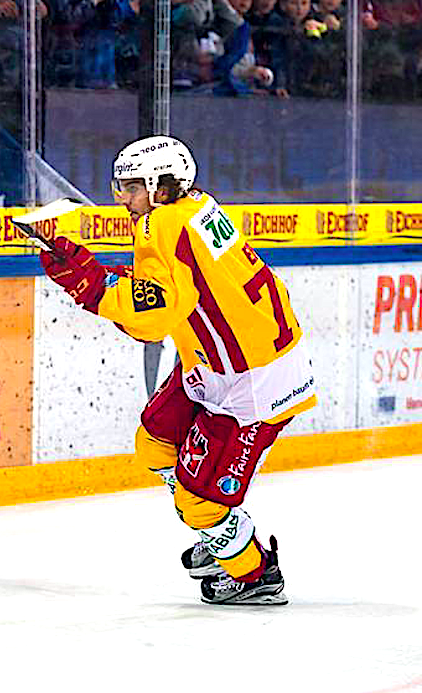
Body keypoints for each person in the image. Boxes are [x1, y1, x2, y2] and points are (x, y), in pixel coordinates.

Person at [38, 136, 316, 605]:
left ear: (160, 187)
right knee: (154, 442)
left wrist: (92, 288)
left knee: (199, 502)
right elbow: (167, 295)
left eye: (130, 187)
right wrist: (93, 272)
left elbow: (156, 315)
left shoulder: (161, 223)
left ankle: (254, 575)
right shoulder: (193, 210)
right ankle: (221, 529)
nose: (122, 198)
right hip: (217, 362)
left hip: (251, 386)